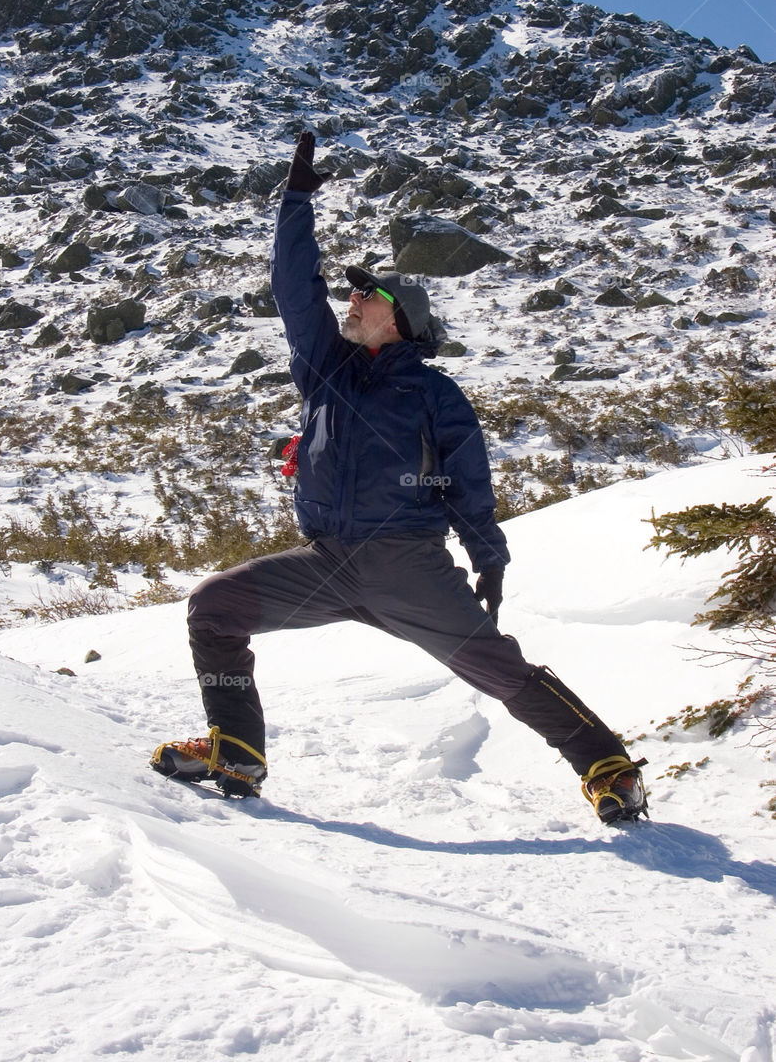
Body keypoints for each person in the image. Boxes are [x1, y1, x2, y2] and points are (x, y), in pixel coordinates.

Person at [152, 133, 647, 823]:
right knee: (215, 609)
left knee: (501, 672)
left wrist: (488, 559)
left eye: (366, 296)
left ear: (401, 320)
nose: (351, 302)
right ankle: (235, 748)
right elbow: (294, 290)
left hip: (405, 566)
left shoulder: (435, 395)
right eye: (351, 294)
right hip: (326, 561)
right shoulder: (325, 367)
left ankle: (610, 769)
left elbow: (466, 487)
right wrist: (296, 202)